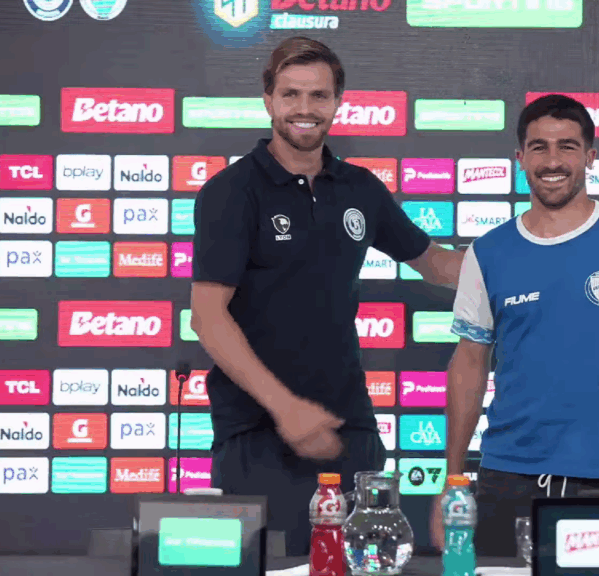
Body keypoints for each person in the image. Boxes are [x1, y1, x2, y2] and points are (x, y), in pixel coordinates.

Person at [189, 36, 464, 556]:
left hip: (347, 426)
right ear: (268, 100)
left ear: (338, 102)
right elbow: (207, 316)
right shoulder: (231, 192)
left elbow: (437, 263)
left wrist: (532, 249)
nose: (305, 108)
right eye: (290, 94)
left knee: (359, 564)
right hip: (258, 431)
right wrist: (286, 408)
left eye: (318, 95)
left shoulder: (359, 188)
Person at [429, 94, 599, 556]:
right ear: (520, 158)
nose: (552, 161)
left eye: (567, 147)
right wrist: (452, 478)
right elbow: (469, 362)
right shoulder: (487, 252)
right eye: (539, 147)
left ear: (590, 157)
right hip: (506, 477)